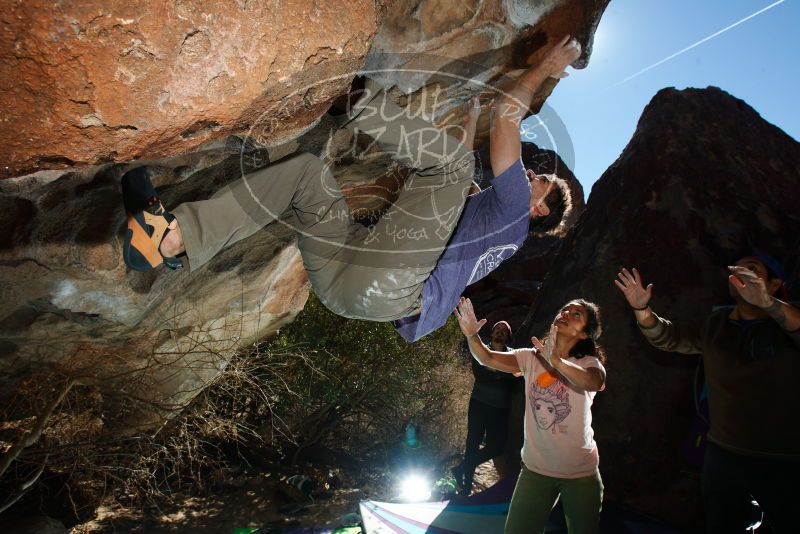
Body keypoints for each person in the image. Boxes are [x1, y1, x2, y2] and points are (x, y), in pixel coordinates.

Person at [121, 36, 580, 341]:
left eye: (535, 181)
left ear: (539, 209)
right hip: (351, 284)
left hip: (392, 286)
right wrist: (472, 120)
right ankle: (172, 236)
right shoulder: (493, 222)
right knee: (305, 176)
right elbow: (445, 179)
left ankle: (354, 96)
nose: (525, 176)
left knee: (455, 166)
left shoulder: (516, 214)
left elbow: (505, 118)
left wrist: (547, 66)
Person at [615, 257, 800, 533]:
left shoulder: (789, 319)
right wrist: (642, 309)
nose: (742, 274)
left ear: (773, 284)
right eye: (737, 269)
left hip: (783, 458)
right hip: (724, 452)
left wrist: (767, 303)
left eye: (753, 269)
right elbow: (671, 336)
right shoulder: (717, 323)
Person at [454, 296, 606, 534]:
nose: (566, 313)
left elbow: (594, 382)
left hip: (580, 474)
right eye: (565, 309)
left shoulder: (589, 363)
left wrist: (556, 362)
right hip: (536, 472)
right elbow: (487, 358)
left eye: (576, 314)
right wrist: (472, 335)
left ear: (585, 334)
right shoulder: (531, 357)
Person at [452, 319, 519, 495]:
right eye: (497, 329)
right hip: (479, 404)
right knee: (472, 442)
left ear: (509, 336)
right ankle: (466, 486)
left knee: (497, 446)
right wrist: (502, 372)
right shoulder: (482, 349)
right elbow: (480, 374)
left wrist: (494, 369)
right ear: (492, 333)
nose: (500, 332)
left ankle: (461, 468)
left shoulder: (513, 354)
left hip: (499, 408)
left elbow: (515, 377)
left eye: (504, 330)